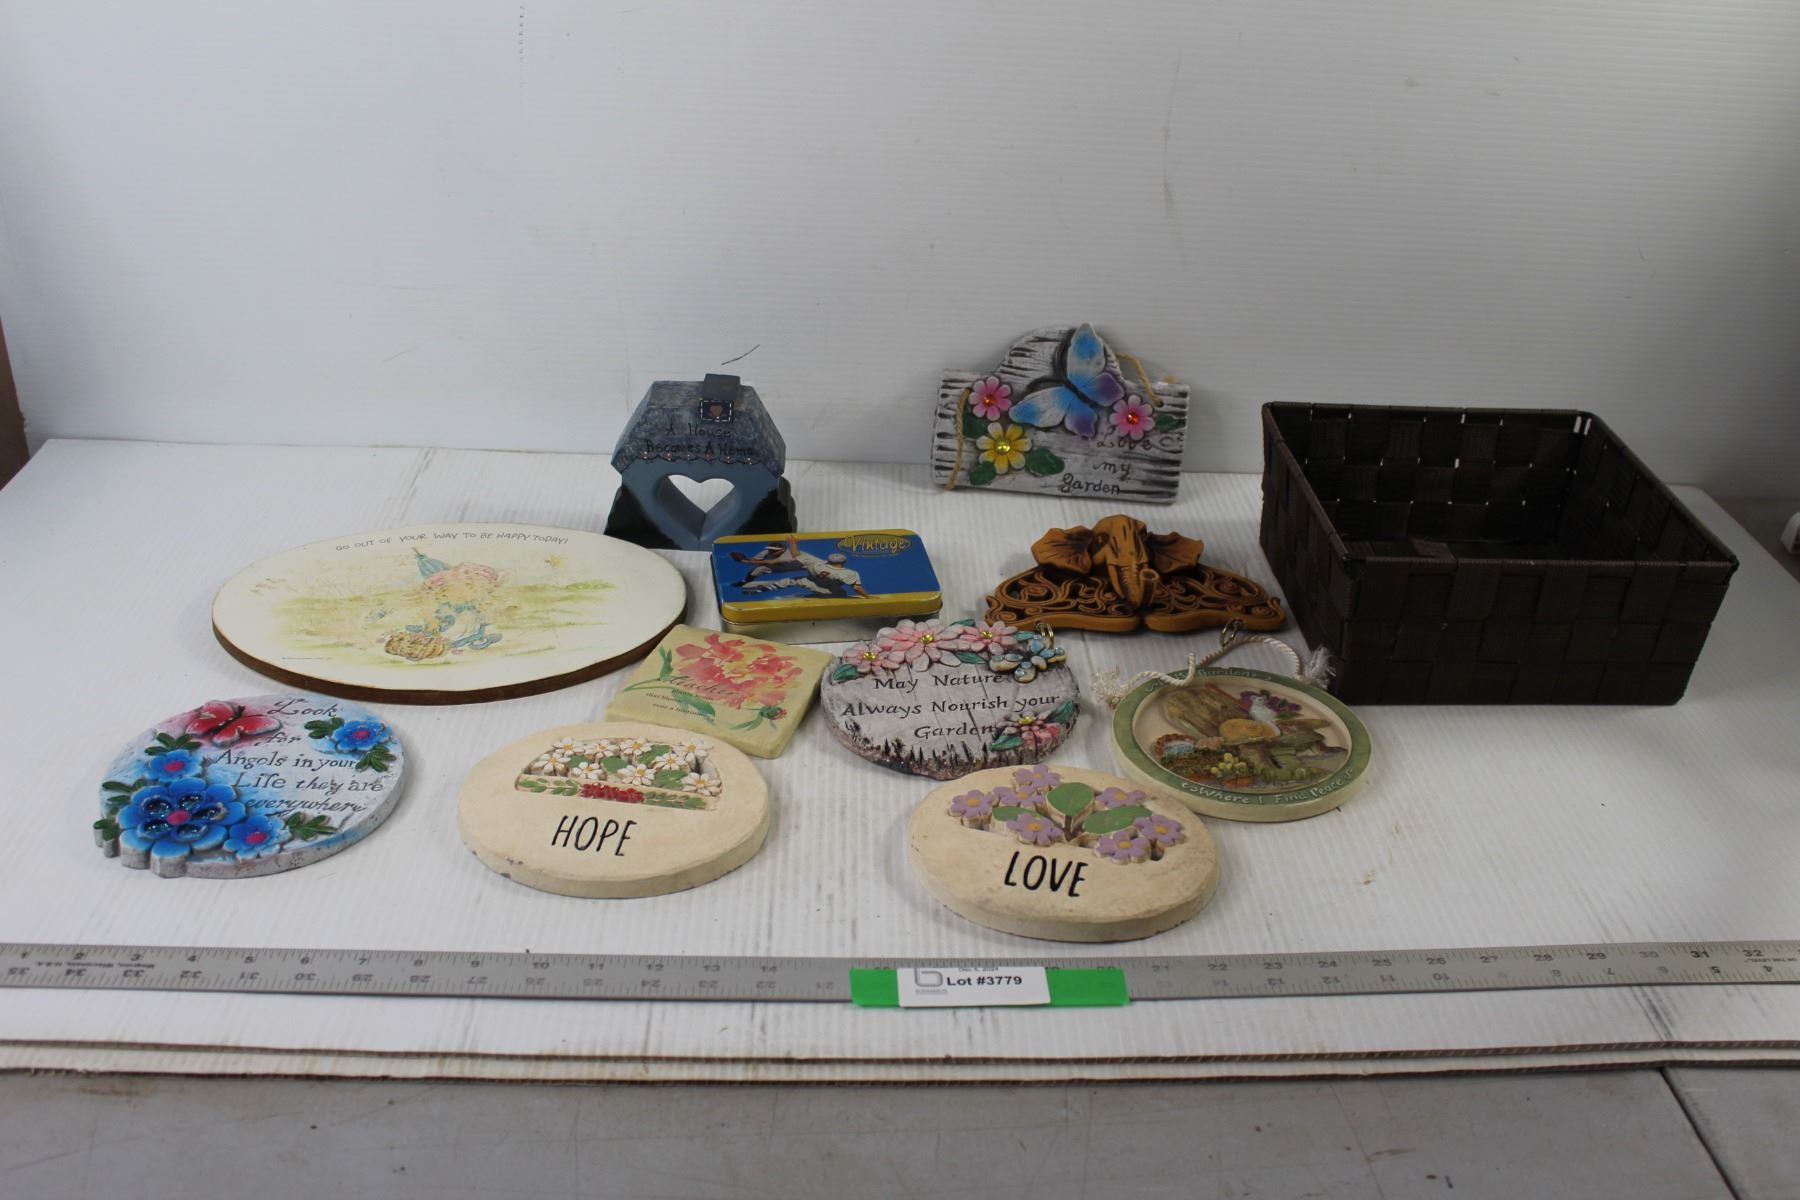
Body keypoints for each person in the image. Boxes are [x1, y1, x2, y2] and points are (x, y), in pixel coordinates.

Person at [731, 535, 871, 599]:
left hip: (816, 583)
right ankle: (757, 588)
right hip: (825, 586)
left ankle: (795, 597)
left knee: (790, 582)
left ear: (829, 559)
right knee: (787, 581)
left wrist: (793, 543)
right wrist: (868, 597)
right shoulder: (849, 573)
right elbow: (857, 588)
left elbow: (794, 554)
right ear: (844, 562)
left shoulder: (815, 563)